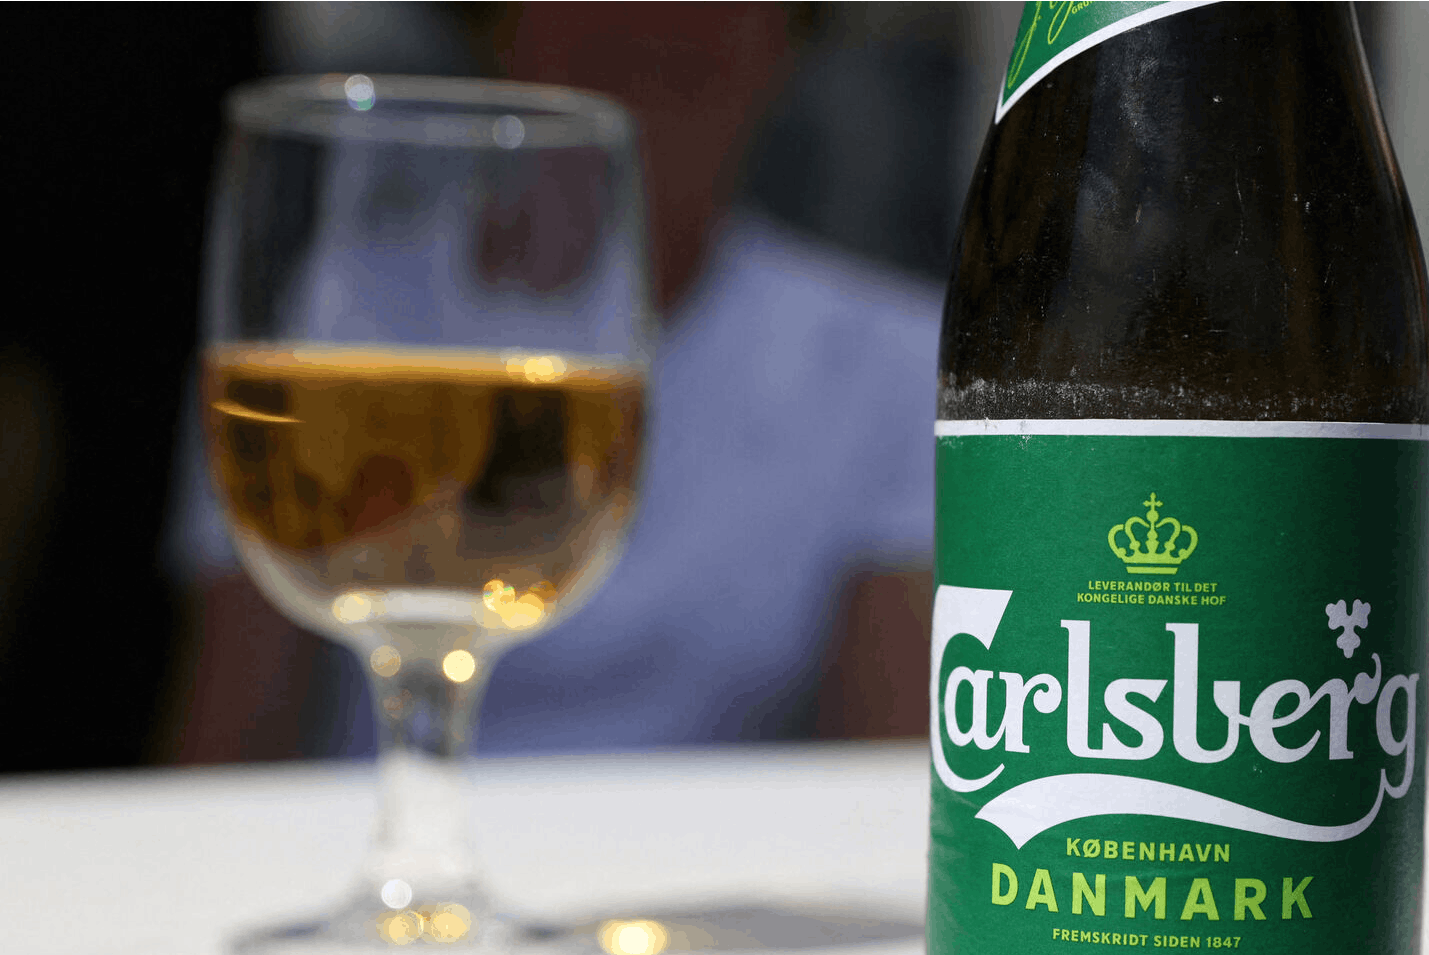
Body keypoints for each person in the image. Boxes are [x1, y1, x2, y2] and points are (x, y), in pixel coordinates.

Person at [166, 2, 939, 760]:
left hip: (690, 877)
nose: (657, 18)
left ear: (792, 38)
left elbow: (881, 781)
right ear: (493, 22)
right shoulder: (335, 311)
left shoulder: (895, 358)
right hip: (362, 850)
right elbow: (229, 733)